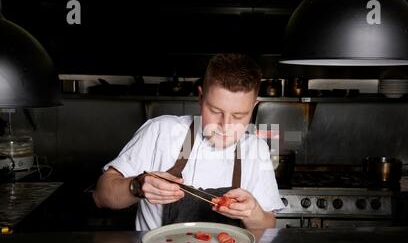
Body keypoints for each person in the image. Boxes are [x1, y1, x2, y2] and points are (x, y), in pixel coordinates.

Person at [93, 53, 284, 230]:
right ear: (200, 98)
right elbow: (101, 196)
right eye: (215, 111)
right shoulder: (161, 131)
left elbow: (268, 224)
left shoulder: (255, 149)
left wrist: (254, 213)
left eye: (239, 115)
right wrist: (136, 187)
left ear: (254, 106)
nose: (225, 126)